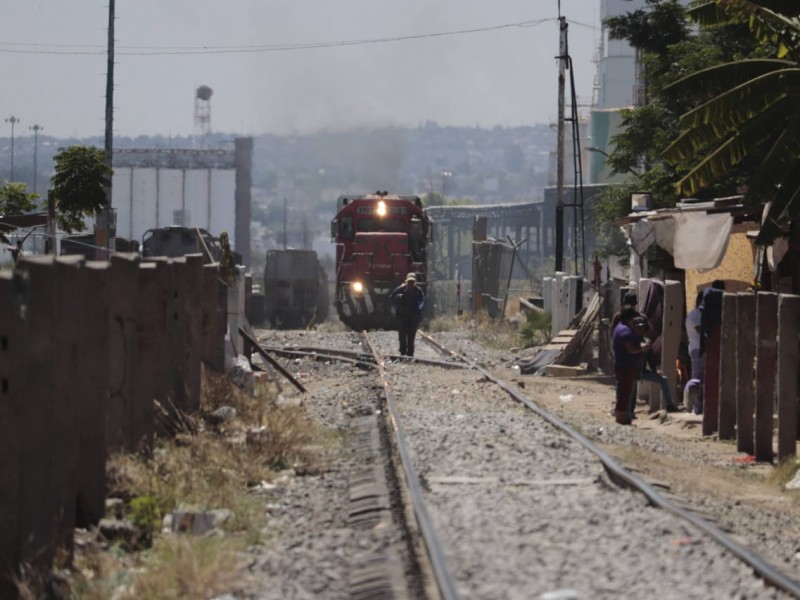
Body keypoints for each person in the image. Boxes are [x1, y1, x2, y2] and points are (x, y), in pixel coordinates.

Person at [631, 315, 679, 413]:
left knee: (663, 379)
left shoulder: (646, 341)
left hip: (642, 372)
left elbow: (651, 359)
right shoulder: (630, 340)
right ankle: (628, 410)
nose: (640, 329)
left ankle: (669, 405)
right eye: (638, 327)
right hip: (630, 372)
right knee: (630, 391)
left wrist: (655, 370)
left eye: (642, 327)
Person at [611, 307, 650, 425]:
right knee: (625, 392)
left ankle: (622, 415)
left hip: (622, 364)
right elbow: (631, 349)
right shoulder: (625, 331)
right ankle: (622, 417)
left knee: (624, 392)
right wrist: (643, 347)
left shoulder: (620, 327)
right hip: (626, 365)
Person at [389, 272, 425, 357]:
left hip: (413, 316)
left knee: (411, 336)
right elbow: (391, 298)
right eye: (409, 282)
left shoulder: (418, 291)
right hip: (402, 315)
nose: (411, 284)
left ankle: (410, 353)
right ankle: (402, 352)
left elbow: (422, 301)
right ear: (406, 281)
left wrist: (418, 310)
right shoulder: (400, 289)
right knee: (402, 334)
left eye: (412, 282)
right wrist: (397, 300)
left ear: (415, 282)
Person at [684, 291, 704, 414]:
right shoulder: (695, 315)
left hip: (698, 349)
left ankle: (697, 406)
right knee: (696, 380)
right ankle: (694, 406)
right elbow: (700, 331)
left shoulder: (699, 314)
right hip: (697, 349)